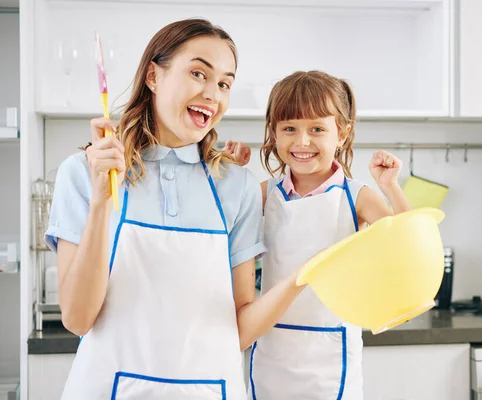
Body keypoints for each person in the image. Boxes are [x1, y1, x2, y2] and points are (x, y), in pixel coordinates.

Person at [45, 18, 306, 400]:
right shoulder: (84, 174)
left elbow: (237, 328)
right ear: (153, 75)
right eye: (198, 73)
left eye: (224, 84)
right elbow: (77, 318)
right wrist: (102, 201)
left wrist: (299, 280)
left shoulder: (238, 187)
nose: (212, 94)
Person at [243, 71, 412, 400]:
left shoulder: (357, 197)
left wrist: (390, 186)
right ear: (273, 133)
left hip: (331, 359)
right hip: (270, 351)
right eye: (289, 128)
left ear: (342, 133)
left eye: (317, 129)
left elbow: (408, 250)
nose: (302, 142)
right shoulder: (263, 194)